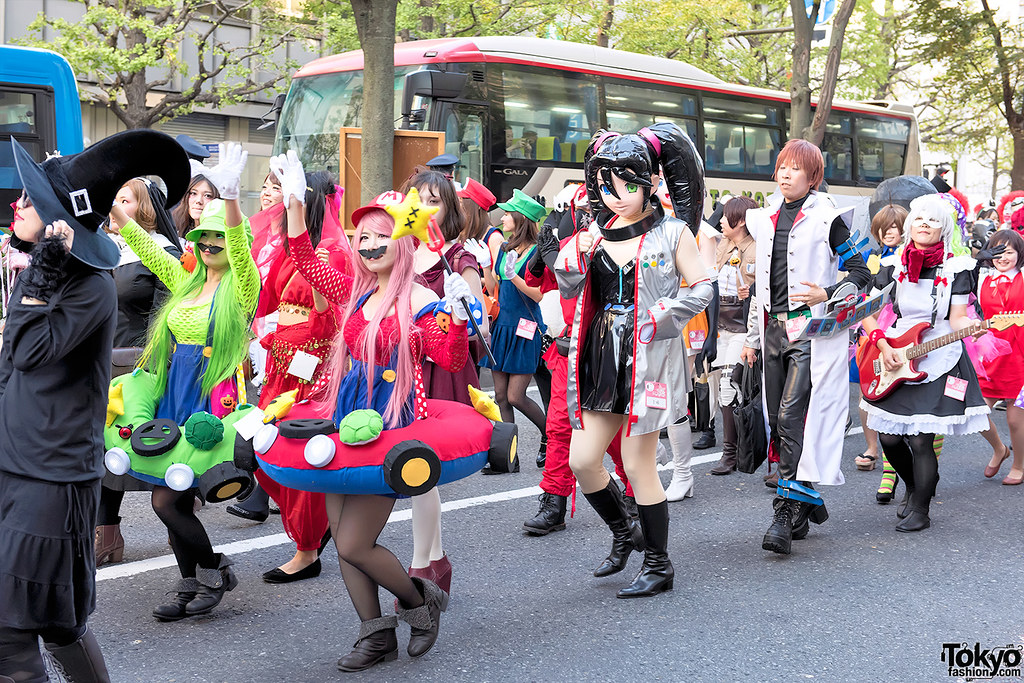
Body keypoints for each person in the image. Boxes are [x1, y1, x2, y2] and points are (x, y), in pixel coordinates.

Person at [1, 129, 188, 683]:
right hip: (18, 465)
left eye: (31, 198)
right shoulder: (54, 272)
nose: (16, 203)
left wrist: (40, 274)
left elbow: (28, 350)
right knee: (56, 624)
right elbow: (13, 365)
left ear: (62, 218)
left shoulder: (87, 285)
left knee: (15, 634)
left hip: (51, 478)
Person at [274, 150, 470, 672]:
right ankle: (375, 634)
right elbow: (305, 259)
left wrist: (456, 319)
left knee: (355, 543)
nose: (368, 246)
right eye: (361, 238)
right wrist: (295, 205)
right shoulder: (355, 292)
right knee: (344, 539)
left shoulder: (420, 302)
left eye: (381, 236)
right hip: (344, 420)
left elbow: (450, 358)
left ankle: (420, 602)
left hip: (390, 428)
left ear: (403, 242)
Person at [557, 123, 712, 598]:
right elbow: (569, 287)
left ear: (651, 182)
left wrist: (667, 314)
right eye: (607, 187)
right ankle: (626, 531)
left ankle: (659, 565)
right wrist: (571, 256)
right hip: (601, 355)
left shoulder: (673, 232)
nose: (616, 196)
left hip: (649, 357)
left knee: (637, 462)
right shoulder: (595, 234)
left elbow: (704, 287)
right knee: (583, 460)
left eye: (627, 186)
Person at [111, 142, 259, 620]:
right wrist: (107, 199)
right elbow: (147, 248)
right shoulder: (187, 281)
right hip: (175, 394)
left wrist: (231, 198)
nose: (210, 245)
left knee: (169, 500)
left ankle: (211, 571)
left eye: (218, 238)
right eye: (203, 238)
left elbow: (240, 250)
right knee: (169, 492)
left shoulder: (243, 288)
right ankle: (195, 579)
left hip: (212, 400)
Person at [740, 139, 872, 555]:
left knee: (790, 416)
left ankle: (783, 512)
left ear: (813, 176)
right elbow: (757, 284)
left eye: (795, 168)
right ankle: (805, 502)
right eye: (782, 166)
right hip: (772, 329)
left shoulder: (829, 218)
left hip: (810, 332)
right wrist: (751, 337)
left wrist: (826, 293)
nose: (785, 173)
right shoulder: (762, 217)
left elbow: (862, 272)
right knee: (777, 421)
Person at [860, 195, 990, 531]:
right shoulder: (893, 264)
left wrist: (975, 327)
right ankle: (916, 485)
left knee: (920, 439)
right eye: (919, 219)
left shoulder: (957, 269)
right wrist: (882, 343)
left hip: (940, 356)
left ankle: (921, 508)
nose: (924, 225)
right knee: (889, 437)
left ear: (943, 228)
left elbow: (958, 318)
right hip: (896, 352)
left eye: (932, 220)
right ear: (910, 225)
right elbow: (867, 314)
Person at [247, 171, 349, 583]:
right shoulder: (290, 248)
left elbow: (330, 316)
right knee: (262, 449)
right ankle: (314, 530)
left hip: (309, 369)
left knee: (298, 452)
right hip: (281, 362)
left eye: (289, 195)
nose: (279, 202)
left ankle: (307, 549)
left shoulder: (331, 251)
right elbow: (266, 297)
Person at [522, 184, 638, 536]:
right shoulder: (569, 241)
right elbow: (538, 281)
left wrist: (557, 256)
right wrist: (543, 253)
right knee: (559, 427)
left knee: (613, 431)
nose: (589, 214)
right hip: (567, 350)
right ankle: (554, 502)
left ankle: (634, 491)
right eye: (583, 209)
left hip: (606, 349)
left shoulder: (623, 240)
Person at [402, 169, 489, 597]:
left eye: (434, 200)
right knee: (416, 471)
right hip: (401, 369)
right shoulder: (399, 251)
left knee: (421, 469)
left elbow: (479, 326)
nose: (424, 206)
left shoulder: (459, 258)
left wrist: (455, 308)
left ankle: (422, 567)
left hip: (441, 368)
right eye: (416, 198)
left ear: (449, 209)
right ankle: (435, 559)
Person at [96, 177, 184, 567]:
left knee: (150, 445)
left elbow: (169, 317)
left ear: (144, 208)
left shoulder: (163, 251)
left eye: (125, 199)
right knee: (105, 448)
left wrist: (153, 363)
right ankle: (106, 535)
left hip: (143, 365)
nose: (115, 205)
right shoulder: (103, 249)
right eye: (113, 198)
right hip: (103, 361)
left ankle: (179, 525)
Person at [478, 188, 549, 469]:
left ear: (521, 219)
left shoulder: (536, 252)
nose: (503, 218)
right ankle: (509, 456)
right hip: (502, 326)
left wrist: (514, 277)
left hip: (525, 329)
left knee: (515, 396)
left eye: (508, 214)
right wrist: (486, 266)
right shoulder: (505, 248)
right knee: (499, 396)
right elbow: (494, 287)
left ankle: (552, 437)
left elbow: (538, 295)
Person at [706, 195, 758, 476]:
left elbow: (763, 290)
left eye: (728, 217)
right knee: (719, 388)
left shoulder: (757, 247)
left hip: (744, 326)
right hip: (721, 325)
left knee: (729, 385)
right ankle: (734, 451)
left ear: (741, 221)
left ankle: (731, 453)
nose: (722, 221)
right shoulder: (723, 244)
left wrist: (750, 291)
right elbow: (709, 225)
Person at [861, 204, 909, 501]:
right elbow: (867, 300)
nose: (889, 232)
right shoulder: (874, 258)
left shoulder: (914, 257)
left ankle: (921, 476)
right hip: (877, 333)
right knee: (873, 397)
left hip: (909, 333)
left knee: (916, 409)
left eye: (895, 227)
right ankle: (881, 461)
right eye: (884, 228)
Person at [974, 229, 1024, 485]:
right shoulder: (982, 278)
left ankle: (1019, 465)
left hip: (1020, 357)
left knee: (1015, 419)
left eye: (1009, 252)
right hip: (989, 357)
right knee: (975, 413)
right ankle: (999, 449)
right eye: (997, 252)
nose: (1003, 257)